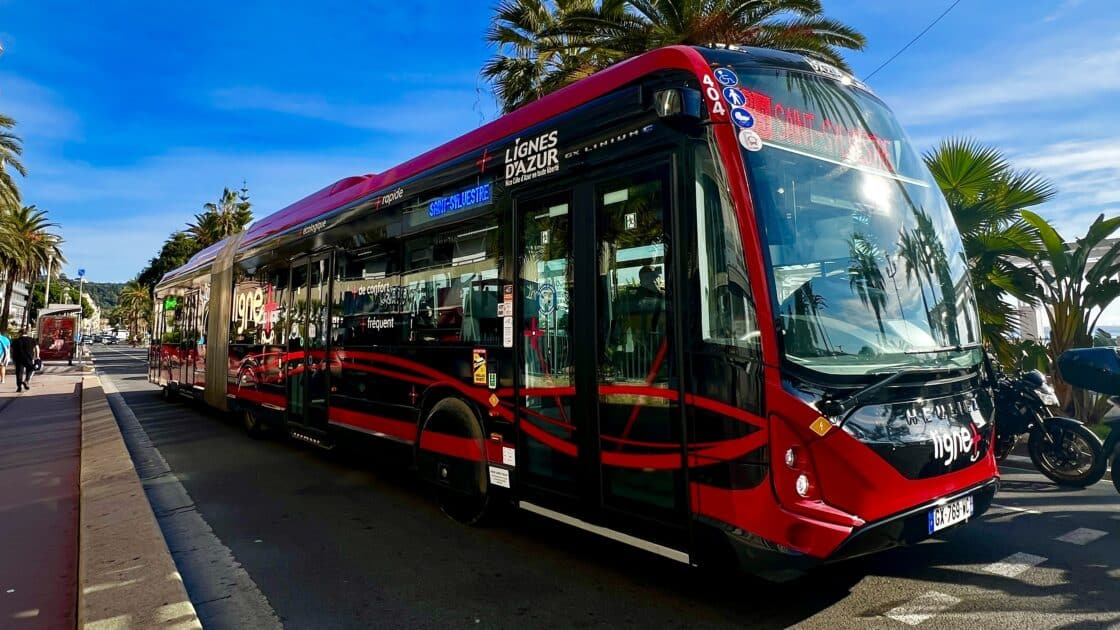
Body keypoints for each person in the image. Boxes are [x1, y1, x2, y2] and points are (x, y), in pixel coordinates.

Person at [11, 327, 40, 393]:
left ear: (20, 333)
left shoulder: (16, 341)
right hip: (29, 358)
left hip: (18, 358)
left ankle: (19, 387)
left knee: (19, 372)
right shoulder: (32, 339)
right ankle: (26, 381)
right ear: (26, 333)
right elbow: (37, 348)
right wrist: (37, 356)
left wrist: (12, 357)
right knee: (31, 369)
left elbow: (11, 350)